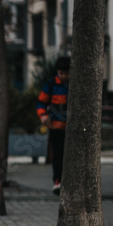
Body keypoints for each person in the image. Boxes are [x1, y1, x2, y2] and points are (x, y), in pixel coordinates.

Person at [36, 56, 70, 195]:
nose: (64, 76)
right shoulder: (51, 85)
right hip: (56, 127)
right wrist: (43, 115)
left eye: (66, 73)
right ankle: (57, 182)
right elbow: (41, 103)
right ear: (58, 72)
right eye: (61, 73)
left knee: (71, 155)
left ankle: (70, 182)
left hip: (71, 128)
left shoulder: (74, 84)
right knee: (58, 155)